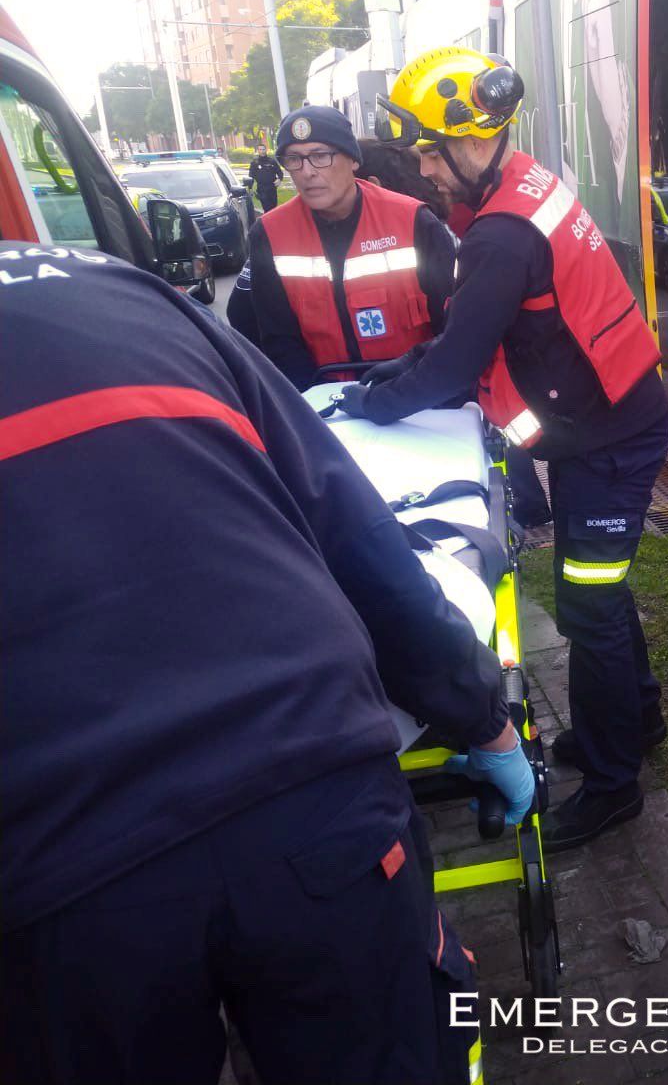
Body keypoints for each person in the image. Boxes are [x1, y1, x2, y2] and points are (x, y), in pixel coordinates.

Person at [0, 240, 535, 1083]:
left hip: (68, 871)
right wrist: (484, 719)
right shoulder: (122, 291)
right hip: (315, 797)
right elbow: (361, 543)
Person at [341, 47, 668, 852]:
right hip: (612, 421)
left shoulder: (498, 234)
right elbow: (466, 335)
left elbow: (454, 363)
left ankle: (612, 783)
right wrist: (387, 377)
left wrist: (371, 408)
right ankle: (638, 720)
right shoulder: (526, 182)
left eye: (428, 150)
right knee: (603, 591)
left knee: (588, 605)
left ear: (471, 138)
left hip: (610, 439)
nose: (423, 169)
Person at [352, 136, 553, 529]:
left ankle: (530, 508)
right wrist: (411, 360)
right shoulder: (500, 200)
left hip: (577, 417)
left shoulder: (486, 234)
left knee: (496, 424)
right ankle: (532, 508)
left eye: (432, 158)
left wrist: (377, 404)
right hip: (572, 410)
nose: (427, 171)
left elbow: (458, 355)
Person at [247, 106, 458, 389]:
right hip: (326, 399)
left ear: (353, 160)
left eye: (321, 156)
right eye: (294, 159)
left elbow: (452, 328)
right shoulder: (270, 234)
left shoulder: (413, 221)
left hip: (415, 394)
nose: (307, 172)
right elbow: (279, 340)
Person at [248, 142, 283, 213]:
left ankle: (274, 222)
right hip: (262, 189)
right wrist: (250, 188)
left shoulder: (272, 161)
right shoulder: (254, 163)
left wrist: (279, 179)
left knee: (274, 208)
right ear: (258, 151)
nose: (262, 151)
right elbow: (251, 176)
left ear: (266, 150)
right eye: (260, 149)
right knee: (267, 208)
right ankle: (268, 222)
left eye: (263, 149)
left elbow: (280, 172)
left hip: (272, 188)